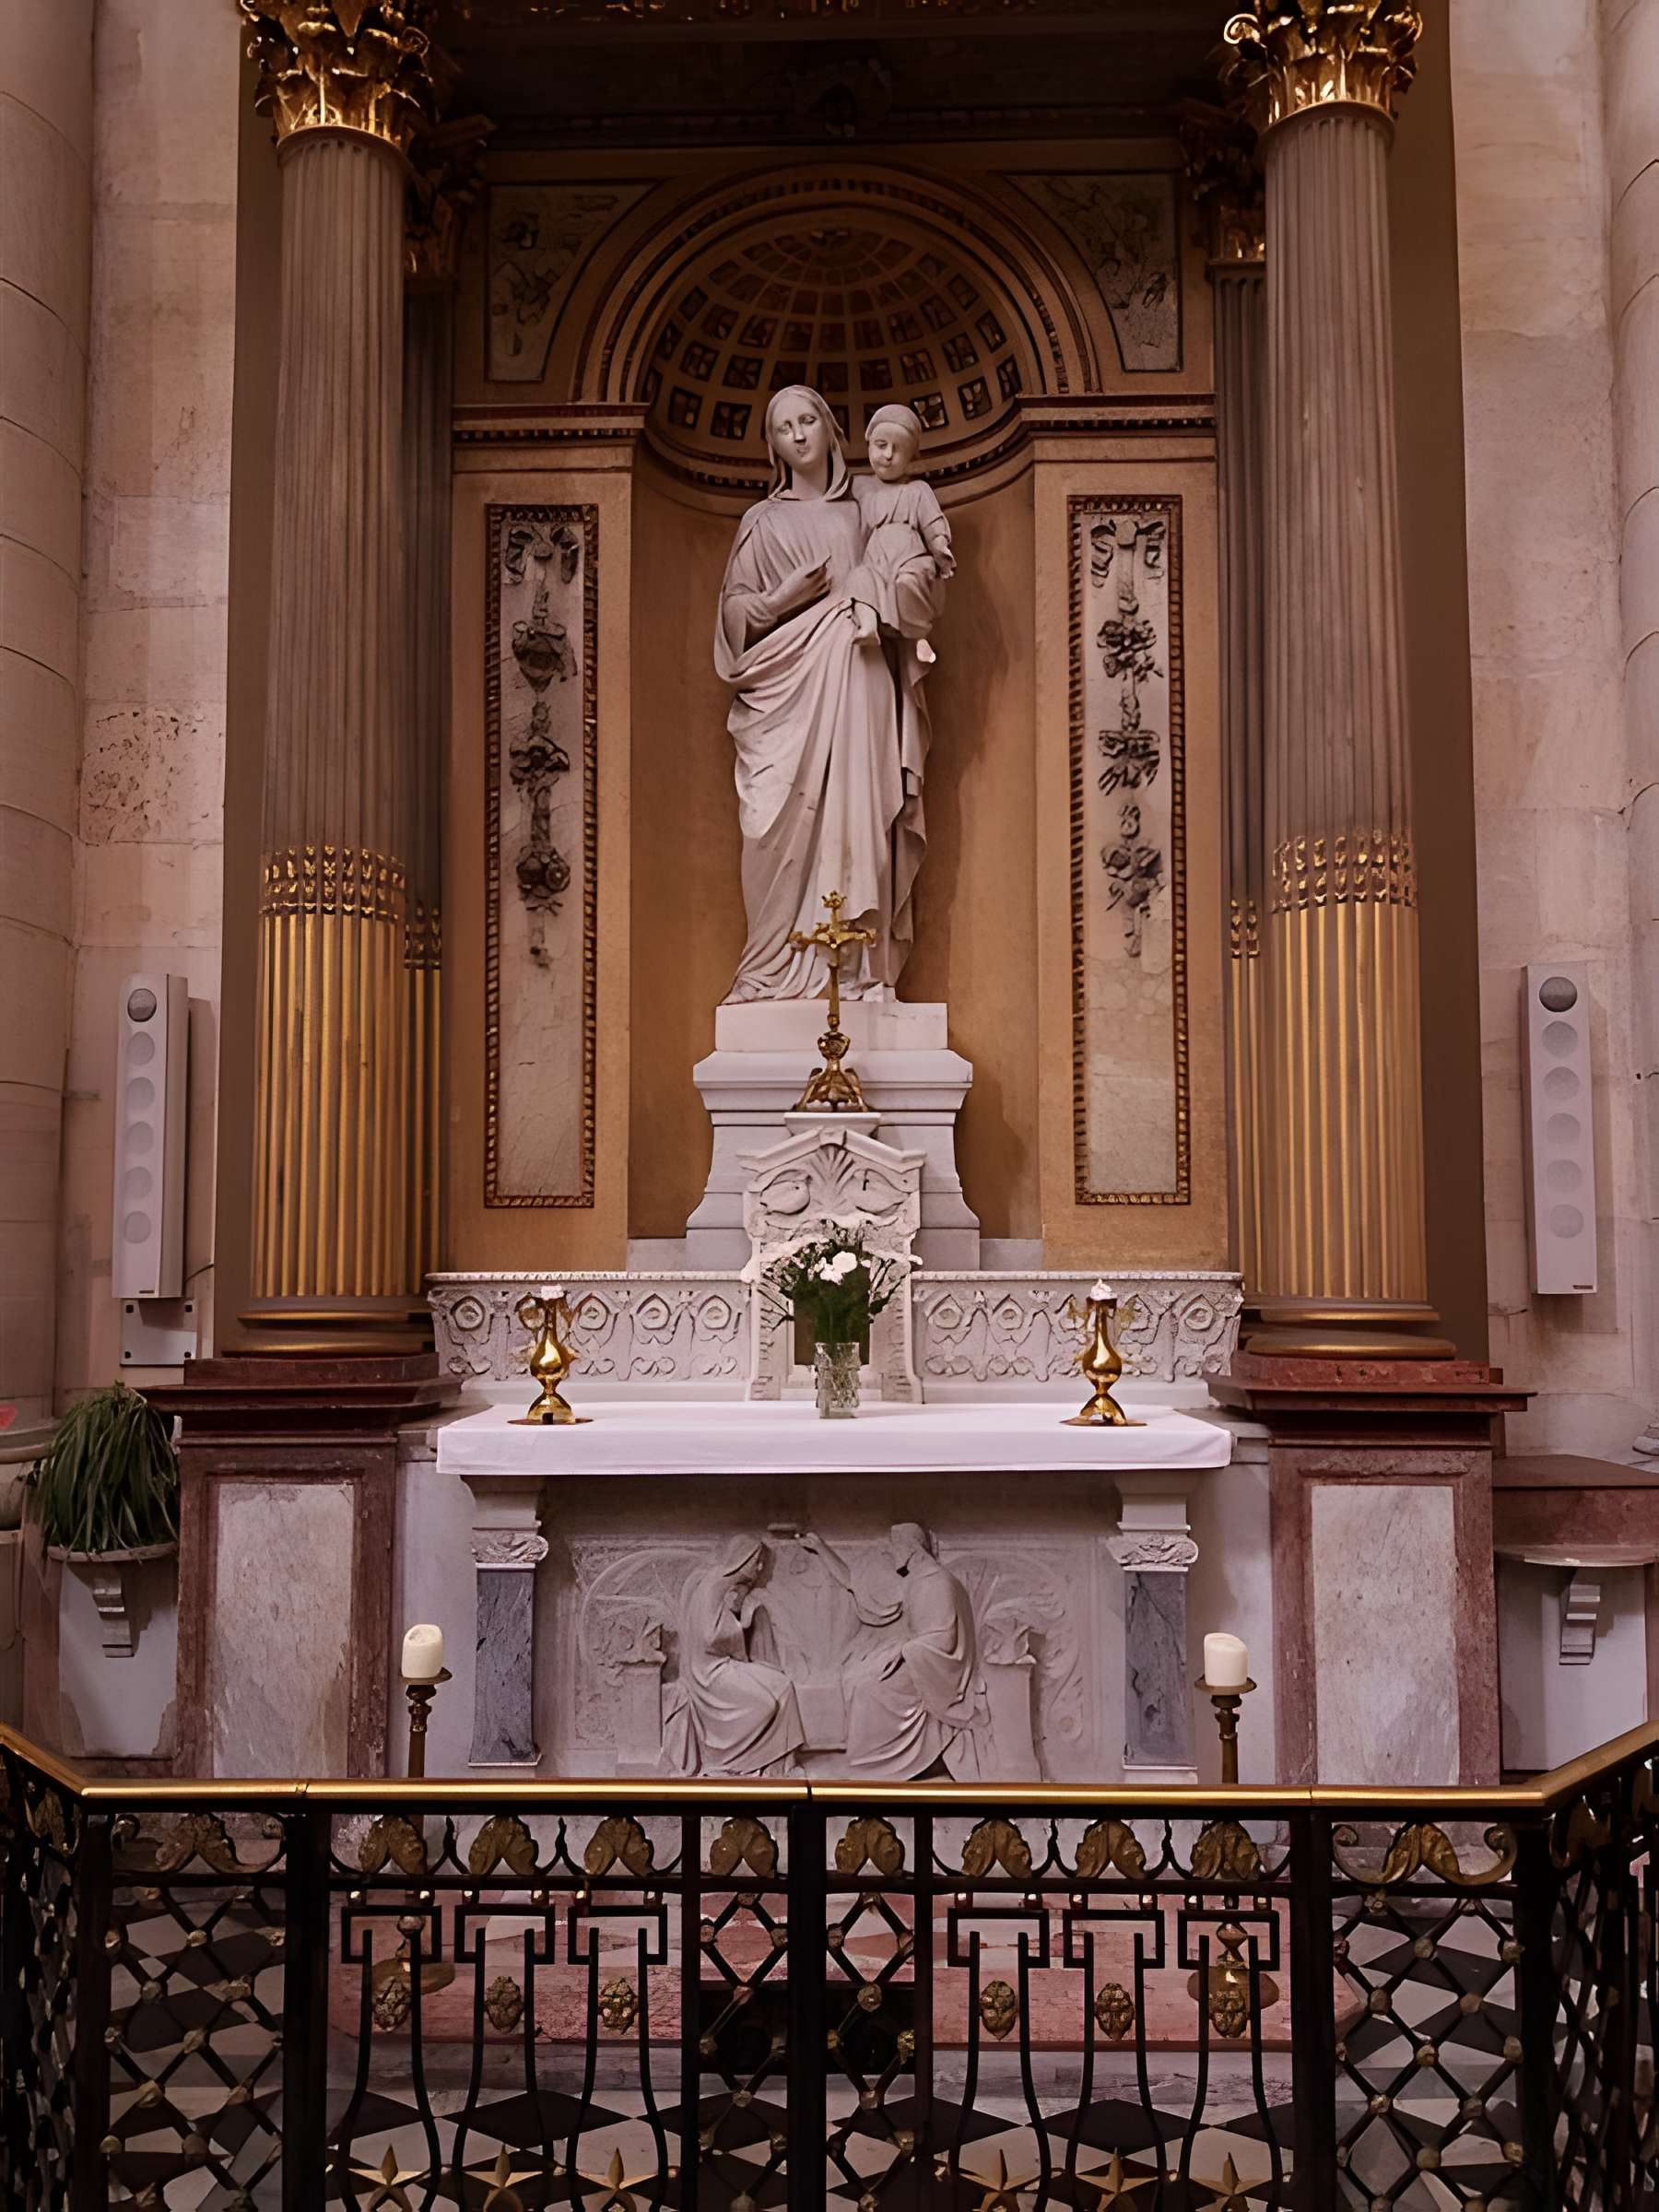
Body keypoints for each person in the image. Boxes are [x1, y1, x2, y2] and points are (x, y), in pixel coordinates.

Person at [713, 384, 942, 1000]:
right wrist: (778, 600)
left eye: (808, 420)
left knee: (860, 807)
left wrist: (904, 583)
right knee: (770, 821)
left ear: (831, 428)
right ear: (773, 444)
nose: (798, 434)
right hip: (783, 694)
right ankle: (769, 966)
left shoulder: (866, 507)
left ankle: (862, 968)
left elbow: (914, 578)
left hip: (859, 676)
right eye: (784, 427)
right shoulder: (762, 522)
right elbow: (734, 618)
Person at [796, 1524, 989, 1780]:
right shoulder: (915, 1579)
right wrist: (821, 1549)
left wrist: (903, 1651)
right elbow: (859, 1589)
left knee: (869, 1690)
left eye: (896, 1547)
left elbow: (943, 1638)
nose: (893, 1553)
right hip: (922, 1659)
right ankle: (870, 1761)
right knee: (857, 1677)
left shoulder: (935, 1581)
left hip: (940, 1672)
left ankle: (879, 1765)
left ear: (911, 1549)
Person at [663, 1536, 806, 1776]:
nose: (760, 1567)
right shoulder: (713, 1586)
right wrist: (742, 1622)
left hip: (726, 1664)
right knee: (765, 1705)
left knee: (783, 1686)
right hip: (708, 1673)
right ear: (742, 1559)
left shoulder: (728, 1587)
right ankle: (729, 1763)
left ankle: (782, 1766)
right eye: (756, 1561)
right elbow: (708, 1637)